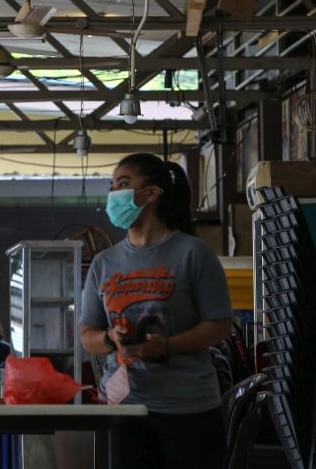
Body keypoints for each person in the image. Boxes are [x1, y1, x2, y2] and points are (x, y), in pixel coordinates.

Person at [80, 153, 233, 468]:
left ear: (152, 193)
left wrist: (166, 345)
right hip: (123, 409)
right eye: (112, 186)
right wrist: (111, 338)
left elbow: (219, 325)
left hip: (188, 409)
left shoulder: (193, 253)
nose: (114, 194)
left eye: (123, 184)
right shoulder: (103, 263)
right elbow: (87, 335)